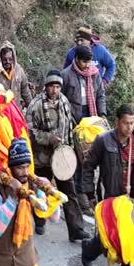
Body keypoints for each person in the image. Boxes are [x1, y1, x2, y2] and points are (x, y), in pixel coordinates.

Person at [81, 104, 134, 266]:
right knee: (109, 241)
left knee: (133, 243)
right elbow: (89, 167)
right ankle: (88, 250)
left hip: (129, 203)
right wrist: (88, 193)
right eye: (126, 123)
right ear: (117, 122)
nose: (130, 127)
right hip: (110, 200)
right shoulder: (103, 141)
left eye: (132, 123)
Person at [26, 70, 89, 241]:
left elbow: (68, 126)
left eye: (57, 86)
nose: (55, 90)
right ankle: (39, 221)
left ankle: (76, 229)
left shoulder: (64, 101)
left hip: (61, 157)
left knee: (69, 192)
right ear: (45, 87)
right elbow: (29, 132)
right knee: (41, 192)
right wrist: (48, 138)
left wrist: (68, 150)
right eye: (51, 86)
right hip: (42, 159)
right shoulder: (35, 105)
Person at [61, 45, 108, 123]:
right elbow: (61, 98)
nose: (87, 65)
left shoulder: (95, 74)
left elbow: (100, 95)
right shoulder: (65, 75)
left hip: (91, 113)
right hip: (72, 116)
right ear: (76, 59)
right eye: (84, 62)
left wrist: (102, 114)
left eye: (89, 62)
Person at [0, 41, 32, 110]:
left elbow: (25, 92)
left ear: (13, 58)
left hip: (16, 111)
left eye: (10, 59)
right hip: (0, 113)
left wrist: (32, 108)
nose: (7, 62)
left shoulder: (19, 71)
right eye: (4, 59)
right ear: (0, 59)